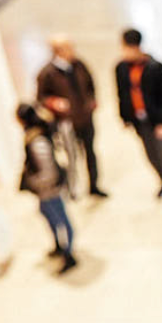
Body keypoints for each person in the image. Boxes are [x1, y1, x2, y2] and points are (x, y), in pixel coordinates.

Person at [114, 28, 162, 209]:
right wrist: (125, 117)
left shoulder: (156, 68)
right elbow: (122, 94)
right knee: (151, 155)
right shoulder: (121, 68)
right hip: (140, 121)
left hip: (158, 121)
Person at [36, 33, 107, 199]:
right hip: (66, 122)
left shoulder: (78, 65)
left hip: (85, 117)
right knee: (72, 157)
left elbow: (90, 84)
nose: (73, 51)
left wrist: (92, 100)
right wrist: (54, 103)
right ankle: (74, 189)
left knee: (90, 153)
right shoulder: (48, 73)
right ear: (58, 51)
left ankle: (94, 185)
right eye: (68, 48)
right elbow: (41, 98)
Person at [17, 104, 77, 274]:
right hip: (45, 189)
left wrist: (36, 184)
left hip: (49, 189)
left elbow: (47, 170)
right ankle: (60, 246)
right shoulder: (35, 135)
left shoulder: (37, 140)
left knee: (62, 221)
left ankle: (69, 254)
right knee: (49, 216)